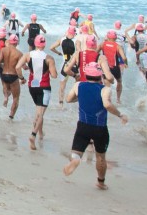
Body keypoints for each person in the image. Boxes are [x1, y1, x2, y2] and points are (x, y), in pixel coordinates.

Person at [63, 61, 129, 189]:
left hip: (83, 126)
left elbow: (68, 99)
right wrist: (121, 115)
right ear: (100, 76)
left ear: (86, 75)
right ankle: (101, 182)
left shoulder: (78, 85)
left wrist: (80, 98)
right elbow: (107, 105)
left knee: (76, 151)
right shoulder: (105, 89)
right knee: (100, 157)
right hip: (100, 128)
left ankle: (76, 159)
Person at [16, 34, 56, 150]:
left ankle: (40, 133)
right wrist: (50, 70)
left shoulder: (27, 55)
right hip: (44, 87)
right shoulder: (49, 58)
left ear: (35, 44)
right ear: (44, 44)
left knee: (38, 111)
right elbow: (54, 76)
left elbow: (18, 67)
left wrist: (22, 78)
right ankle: (33, 135)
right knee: (40, 113)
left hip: (32, 86)